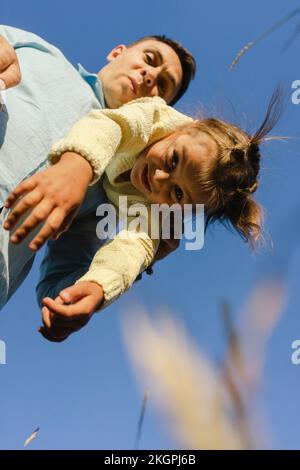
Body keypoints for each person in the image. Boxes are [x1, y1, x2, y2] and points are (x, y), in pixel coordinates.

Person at [2, 88, 282, 342]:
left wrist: (98, 287)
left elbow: (135, 245)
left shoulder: (159, 212)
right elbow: (111, 126)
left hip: (99, 207)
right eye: (174, 159)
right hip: (85, 167)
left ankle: (72, 295)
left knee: (59, 288)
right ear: (187, 128)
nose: (159, 178)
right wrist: (77, 167)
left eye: (178, 194)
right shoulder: (156, 116)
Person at [0, 25, 196, 309]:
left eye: (163, 86)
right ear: (118, 52)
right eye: (150, 59)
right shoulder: (38, 49)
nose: (151, 75)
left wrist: (137, 262)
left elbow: (59, 290)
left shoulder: (104, 194)